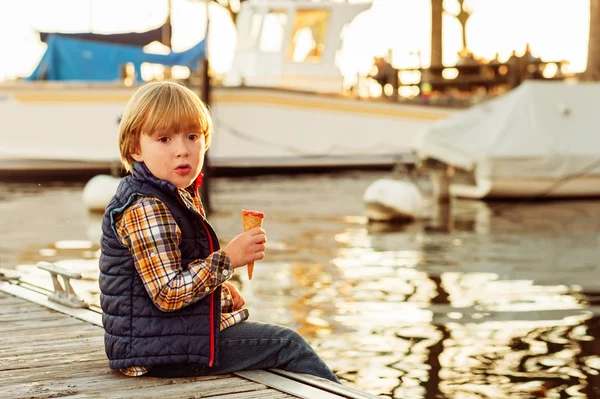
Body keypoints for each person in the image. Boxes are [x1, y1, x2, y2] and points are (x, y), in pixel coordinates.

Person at [99, 81, 340, 382]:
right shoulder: (147, 206)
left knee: (271, 345)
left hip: (159, 342)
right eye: (164, 139)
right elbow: (166, 293)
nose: (182, 150)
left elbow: (170, 274)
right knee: (288, 344)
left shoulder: (167, 194)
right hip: (158, 353)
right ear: (136, 148)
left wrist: (220, 294)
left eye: (192, 136)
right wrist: (228, 259)